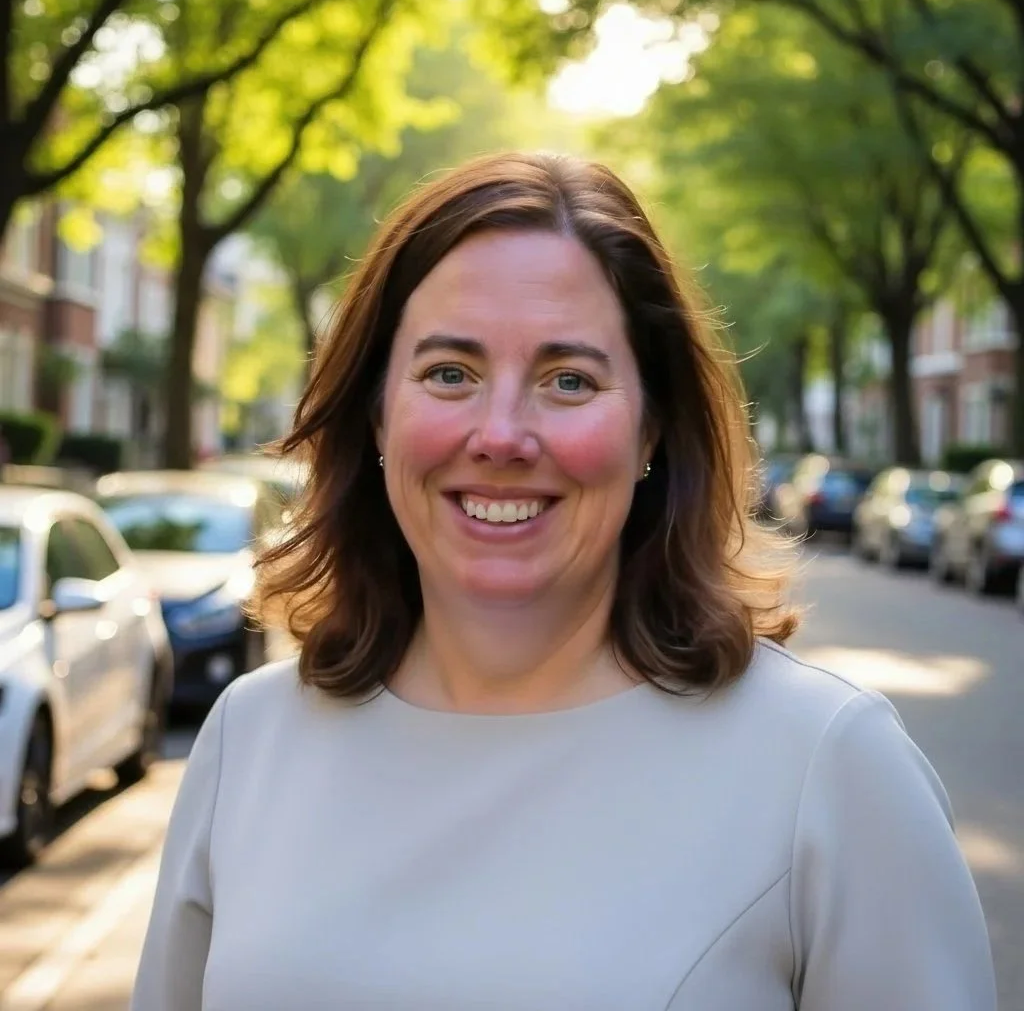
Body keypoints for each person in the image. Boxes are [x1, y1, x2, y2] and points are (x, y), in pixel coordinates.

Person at [131, 152, 995, 1010]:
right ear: (376, 413)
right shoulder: (250, 741)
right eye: (449, 373)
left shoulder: (826, 766)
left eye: (568, 379)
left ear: (652, 426)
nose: (501, 434)